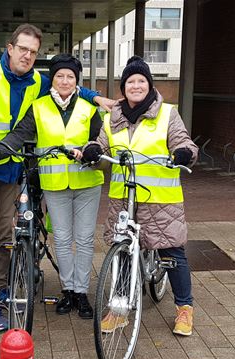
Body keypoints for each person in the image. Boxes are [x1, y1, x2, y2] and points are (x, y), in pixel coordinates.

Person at [0, 24, 116, 331]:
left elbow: (69, 85)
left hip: (12, 167)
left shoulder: (37, 81)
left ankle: (3, 288)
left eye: (33, 52)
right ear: (10, 48)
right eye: (23, 49)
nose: (28, 56)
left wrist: (96, 98)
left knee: (7, 234)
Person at [83, 56, 199, 336]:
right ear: (124, 87)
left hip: (161, 200)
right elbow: (101, 146)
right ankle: (120, 310)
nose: (136, 85)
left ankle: (184, 308)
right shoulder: (114, 116)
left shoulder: (167, 113)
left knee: (172, 251)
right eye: (130, 81)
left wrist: (183, 153)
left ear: (149, 85)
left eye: (141, 81)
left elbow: (185, 143)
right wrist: (91, 151)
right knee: (123, 252)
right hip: (124, 199)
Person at [0, 54, 103, 319]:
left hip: (87, 183)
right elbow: (19, 135)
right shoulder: (38, 107)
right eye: (60, 75)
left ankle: (82, 293)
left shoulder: (89, 109)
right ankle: (68, 290)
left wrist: (90, 150)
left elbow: (100, 141)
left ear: (77, 81)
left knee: (83, 240)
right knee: (61, 238)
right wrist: (0, 149)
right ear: (53, 79)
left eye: (70, 76)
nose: (65, 80)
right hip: (54, 183)